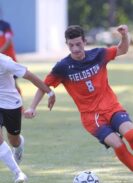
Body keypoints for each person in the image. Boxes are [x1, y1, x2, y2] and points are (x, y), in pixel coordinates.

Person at [24, 24, 133, 172]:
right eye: (71, 45)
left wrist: (125, 36)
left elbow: (122, 49)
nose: (75, 49)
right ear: (67, 45)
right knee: (118, 143)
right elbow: (44, 85)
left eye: (78, 44)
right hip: (91, 117)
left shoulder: (98, 54)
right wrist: (32, 107)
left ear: (85, 42)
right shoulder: (63, 67)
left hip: (112, 107)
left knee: (131, 135)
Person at [0, 53, 55, 183]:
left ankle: (19, 146)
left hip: (11, 104)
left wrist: (49, 92)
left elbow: (29, 75)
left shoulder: (5, 61)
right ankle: (18, 172)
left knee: (14, 140)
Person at [0, 19, 22, 94]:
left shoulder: (5, 25)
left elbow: (8, 42)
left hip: (8, 59)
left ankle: (19, 103)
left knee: (13, 84)